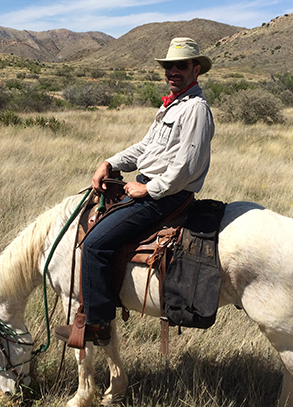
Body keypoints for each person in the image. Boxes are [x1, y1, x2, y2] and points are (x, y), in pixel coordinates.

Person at [54, 37, 215, 346]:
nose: (173, 72)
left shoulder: (194, 109)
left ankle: (97, 324)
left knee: (95, 245)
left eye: (181, 66)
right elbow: (145, 148)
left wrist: (148, 189)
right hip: (152, 187)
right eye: (169, 66)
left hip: (166, 196)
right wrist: (110, 162)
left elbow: (186, 167)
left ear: (196, 69)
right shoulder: (173, 104)